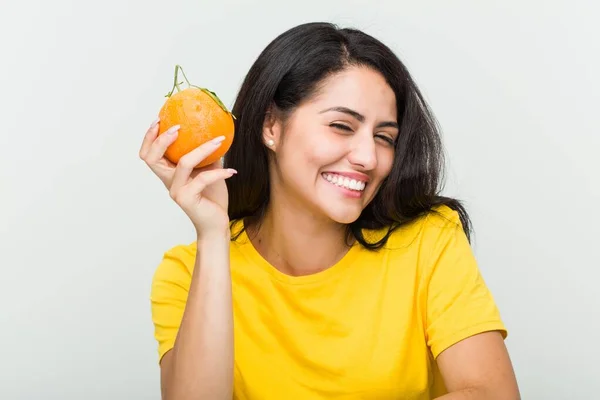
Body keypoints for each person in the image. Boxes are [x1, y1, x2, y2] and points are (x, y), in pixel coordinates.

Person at [140, 22, 520, 400]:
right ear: (271, 125)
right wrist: (212, 234)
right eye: (341, 126)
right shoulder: (187, 273)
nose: (368, 157)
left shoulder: (428, 240)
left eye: (384, 137)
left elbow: (493, 393)